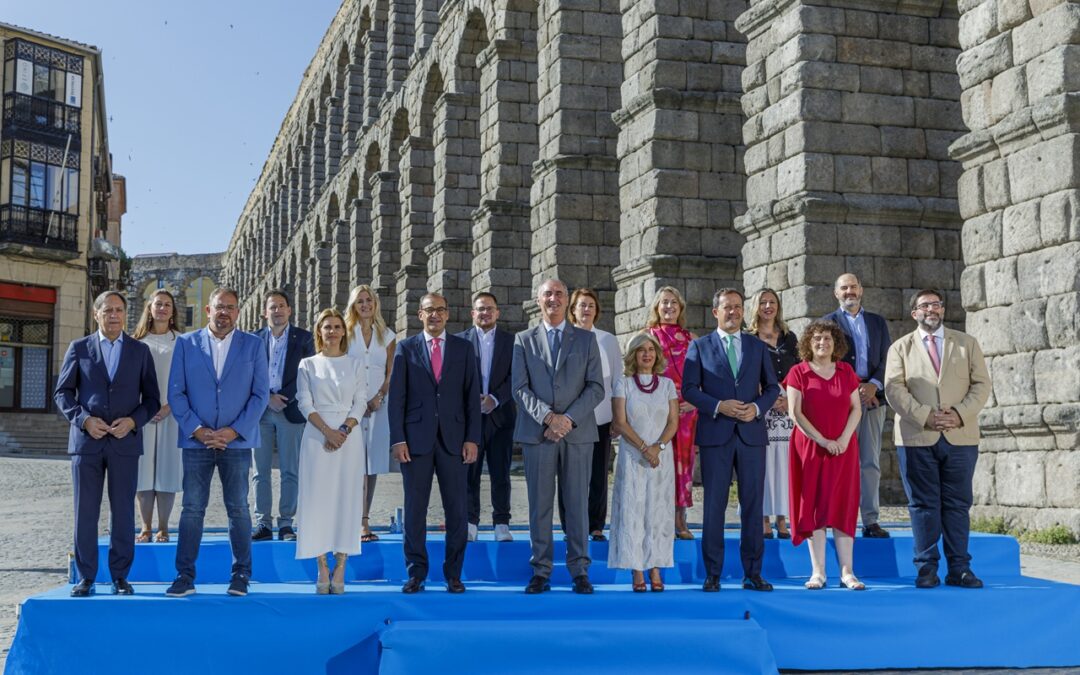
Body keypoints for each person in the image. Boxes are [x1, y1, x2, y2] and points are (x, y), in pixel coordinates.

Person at [55, 291, 160, 597]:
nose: (114, 315)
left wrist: (133, 421)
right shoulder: (79, 348)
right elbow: (63, 393)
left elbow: (152, 399)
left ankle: (120, 576)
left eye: (119, 310)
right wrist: (83, 419)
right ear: (96, 315)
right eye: (108, 310)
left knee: (124, 512)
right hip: (86, 443)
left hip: (124, 443)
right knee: (85, 512)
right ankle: (86, 576)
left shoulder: (140, 351)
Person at [166, 288, 269, 598]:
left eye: (231, 307)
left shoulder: (253, 345)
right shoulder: (186, 344)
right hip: (196, 442)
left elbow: (260, 394)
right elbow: (176, 392)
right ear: (207, 311)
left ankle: (241, 575)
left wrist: (234, 431)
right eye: (219, 307)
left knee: (238, 509)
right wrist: (197, 429)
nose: (224, 312)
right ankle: (184, 576)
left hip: (235, 443)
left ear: (238, 313)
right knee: (192, 509)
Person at [885, 289, 991, 589]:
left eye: (935, 304)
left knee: (957, 504)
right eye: (924, 305)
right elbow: (894, 389)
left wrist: (959, 413)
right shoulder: (900, 348)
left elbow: (981, 385)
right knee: (923, 504)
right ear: (914, 313)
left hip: (960, 435)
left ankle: (959, 568)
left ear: (942, 310)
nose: (930, 309)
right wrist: (925, 416)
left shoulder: (967, 344)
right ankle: (926, 568)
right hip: (917, 436)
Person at [683, 288, 780, 593]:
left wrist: (755, 409)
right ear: (716, 312)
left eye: (738, 307)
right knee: (714, 506)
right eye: (727, 308)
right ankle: (713, 573)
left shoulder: (757, 346)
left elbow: (773, 388)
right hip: (716, 434)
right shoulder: (699, 347)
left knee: (753, 506)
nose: (734, 312)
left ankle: (753, 573)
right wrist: (718, 405)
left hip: (751, 435)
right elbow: (689, 389)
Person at [512, 278, 604, 595]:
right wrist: (548, 417)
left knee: (577, 504)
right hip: (538, 434)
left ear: (567, 301)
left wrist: (567, 419)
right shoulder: (523, 341)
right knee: (540, 506)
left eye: (559, 294)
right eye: (548, 294)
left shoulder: (586, 340)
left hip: (577, 434)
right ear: (539, 300)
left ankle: (580, 570)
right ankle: (541, 570)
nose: (553, 299)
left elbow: (596, 388)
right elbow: (519, 388)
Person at [387, 292, 481, 594]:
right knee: (415, 510)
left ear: (449, 314)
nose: (435, 316)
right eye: (430, 311)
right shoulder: (406, 348)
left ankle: (453, 574)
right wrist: (397, 439)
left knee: (457, 510)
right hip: (415, 442)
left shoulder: (464, 349)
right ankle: (416, 573)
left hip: (454, 441)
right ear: (420, 315)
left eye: (441, 310)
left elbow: (471, 398)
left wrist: (472, 439)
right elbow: (396, 399)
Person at [786, 320, 865, 590]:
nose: (823, 343)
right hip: (810, 448)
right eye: (817, 338)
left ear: (836, 343)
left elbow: (856, 408)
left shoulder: (846, 371)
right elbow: (795, 413)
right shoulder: (799, 372)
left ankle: (847, 572)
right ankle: (818, 572)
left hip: (843, 449)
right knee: (815, 506)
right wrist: (821, 440)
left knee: (843, 505)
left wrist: (843, 439)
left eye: (828, 339)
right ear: (808, 342)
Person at [294, 309, 367, 594]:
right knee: (317, 500)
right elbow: (304, 402)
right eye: (327, 327)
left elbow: (360, 401)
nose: (333, 331)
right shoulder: (307, 364)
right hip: (316, 435)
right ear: (319, 332)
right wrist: (327, 432)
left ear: (343, 331)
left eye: (337, 326)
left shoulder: (355, 364)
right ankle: (321, 564)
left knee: (346, 499)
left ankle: (342, 564)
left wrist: (344, 431)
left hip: (349, 437)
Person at [608, 333, 679, 592]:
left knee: (657, 510)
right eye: (641, 350)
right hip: (632, 455)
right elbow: (620, 422)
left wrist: (657, 447)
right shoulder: (623, 384)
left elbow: (673, 422)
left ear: (657, 354)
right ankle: (637, 569)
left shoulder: (667, 385)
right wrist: (643, 448)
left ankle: (656, 566)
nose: (647, 354)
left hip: (661, 456)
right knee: (633, 509)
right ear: (633, 355)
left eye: (651, 349)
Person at [824, 273, 892, 538]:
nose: (849, 291)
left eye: (853, 286)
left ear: (861, 290)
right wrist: (854, 389)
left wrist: (874, 384)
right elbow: (825, 361)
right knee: (837, 458)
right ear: (836, 293)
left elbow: (888, 356)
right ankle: (836, 516)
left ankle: (870, 520)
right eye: (844, 288)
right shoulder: (828, 323)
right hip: (840, 401)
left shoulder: (876, 322)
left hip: (874, 399)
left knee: (870, 462)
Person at [559, 288, 622, 541]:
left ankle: (596, 525)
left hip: (600, 417)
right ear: (572, 309)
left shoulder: (608, 340)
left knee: (598, 473)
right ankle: (570, 526)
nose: (586, 309)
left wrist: (619, 417)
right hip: (570, 417)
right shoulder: (563, 338)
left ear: (597, 311)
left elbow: (618, 381)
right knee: (569, 474)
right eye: (581, 305)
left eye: (591, 306)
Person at [253, 289, 315, 542]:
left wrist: (283, 397)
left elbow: (308, 372)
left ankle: (287, 523)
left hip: (290, 410)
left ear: (289, 310)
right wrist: (267, 397)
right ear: (264, 312)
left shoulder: (304, 338)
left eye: (281, 306)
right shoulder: (253, 339)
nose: (277, 310)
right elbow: (248, 374)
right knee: (260, 471)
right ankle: (263, 522)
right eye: (272, 307)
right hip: (260, 411)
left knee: (291, 469)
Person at [458, 291, 516, 542]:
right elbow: (455, 379)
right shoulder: (460, 342)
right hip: (470, 418)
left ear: (497, 313)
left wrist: (495, 398)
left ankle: (501, 522)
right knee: (470, 471)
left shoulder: (512, 342)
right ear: (473, 313)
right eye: (480, 309)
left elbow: (517, 377)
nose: (485, 313)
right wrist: (473, 401)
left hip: (501, 415)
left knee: (501, 472)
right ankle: (471, 521)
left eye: (489, 308)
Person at [646, 286, 698, 540]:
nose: (669, 307)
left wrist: (694, 400)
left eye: (674, 303)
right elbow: (638, 374)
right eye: (664, 302)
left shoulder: (692, 339)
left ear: (680, 308)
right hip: (657, 410)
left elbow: (702, 377)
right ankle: (657, 520)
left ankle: (680, 519)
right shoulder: (648, 336)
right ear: (657, 307)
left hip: (686, 412)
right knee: (658, 462)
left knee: (682, 465)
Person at [345, 284, 396, 543]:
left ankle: (364, 520)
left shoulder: (386, 335)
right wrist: (357, 403)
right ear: (353, 306)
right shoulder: (345, 333)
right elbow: (339, 368)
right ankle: (349, 518)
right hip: (350, 409)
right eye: (359, 301)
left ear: (375, 304)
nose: (365, 305)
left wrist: (377, 398)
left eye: (369, 300)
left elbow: (389, 372)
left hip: (378, 407)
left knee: (370, 464)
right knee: (352, 463)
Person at [132, 290, 184, 544]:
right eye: (158, 304)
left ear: (173, 311)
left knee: (167, 470)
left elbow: (188, 381)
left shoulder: (183, 342)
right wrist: (144, 409)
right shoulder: (135, 342)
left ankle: (164, 527)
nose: (162, 308)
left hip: (172, 414)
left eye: (167, 305)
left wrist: (169, 406)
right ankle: (145, 527)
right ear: (149, 309)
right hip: (142, 415)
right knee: (143, 471)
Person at [747, 288, 799, 540]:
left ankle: (782, 518)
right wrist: (765, 397)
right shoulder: (749, 338)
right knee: (764, 461)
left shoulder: (790, 338)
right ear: (756, 307)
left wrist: (789, 398)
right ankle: (763, 518)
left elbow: (801, 370)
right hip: (761, 403)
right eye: (763, 302)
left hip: (787, 404)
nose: (768, 306)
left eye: (772, 302)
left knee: (786, 460)